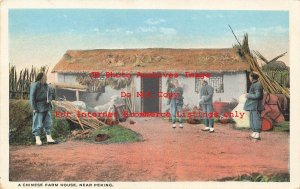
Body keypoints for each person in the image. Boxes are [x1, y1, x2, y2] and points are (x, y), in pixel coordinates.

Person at [29, 72, 57, 145]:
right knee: (37, 123)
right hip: (38, 106)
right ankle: (37, 139)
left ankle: (49, 138)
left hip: (46, 106)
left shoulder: (46, 86)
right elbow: (32, 97)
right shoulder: (35, 85)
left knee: (48, 122)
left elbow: (50, 94)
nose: (46, 78)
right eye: (45, 77)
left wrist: (49, 100)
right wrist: (34, 108)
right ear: (41, 78)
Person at [244, 71, 264, 140]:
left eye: (250, 76)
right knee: (252, 119)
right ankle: (254, 132)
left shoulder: (258, 84)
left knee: (256, 119)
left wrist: (248, 95)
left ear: (252, 77)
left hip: (256, 106)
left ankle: (257, 134)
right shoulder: (254, 84)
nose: (249, 78)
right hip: (252, 105)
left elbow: (258, 95)